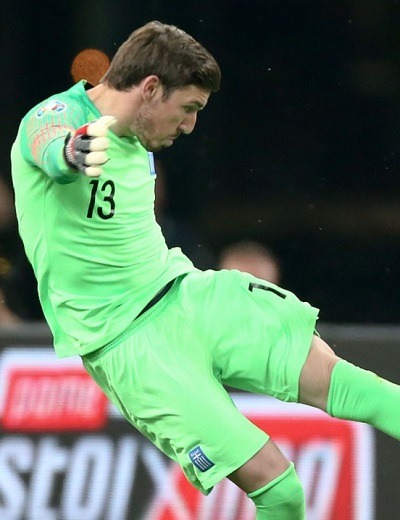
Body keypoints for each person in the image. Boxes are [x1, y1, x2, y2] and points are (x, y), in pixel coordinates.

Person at [10, 20, 399, 519]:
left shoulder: (139, 140)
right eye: (188, 107)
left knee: (354, 387)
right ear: (151, 88)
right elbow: (48, 138)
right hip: (130, 345)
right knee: (280, 490)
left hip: (187, 292)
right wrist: (70, 151)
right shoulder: (60, 115)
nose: (190, 125)